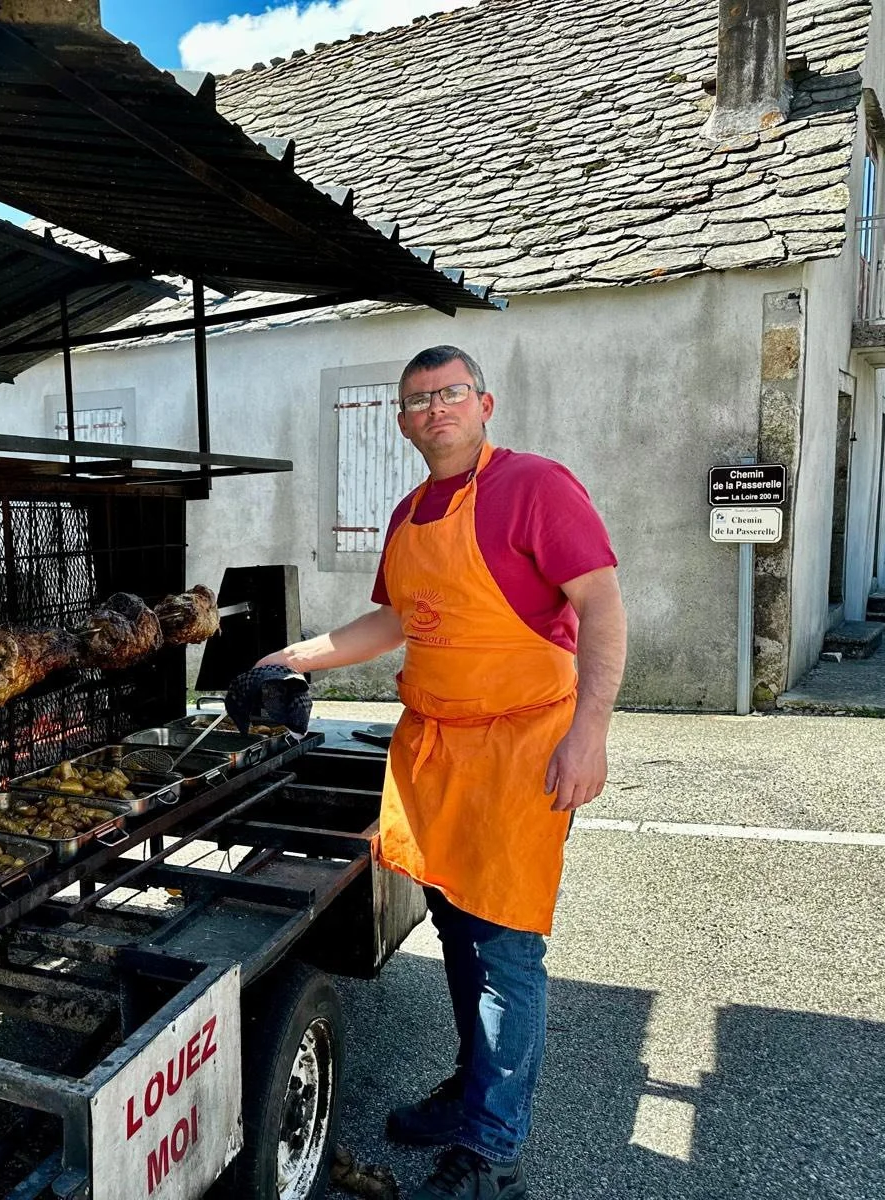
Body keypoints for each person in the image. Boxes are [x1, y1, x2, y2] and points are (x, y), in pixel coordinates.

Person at [256, 345, 627, 1200]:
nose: (435, 409)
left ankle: (493, 1155)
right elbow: (391, 620)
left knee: (505, 950)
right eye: (418, 400)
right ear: (400, 420)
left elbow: (602, 605)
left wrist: (590, 734)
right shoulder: (410, 512)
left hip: (521, 748)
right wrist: (290, 658)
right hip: (438, 749)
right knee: (460, 932)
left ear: (484, 404)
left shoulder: (535, 487)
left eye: (450, 393)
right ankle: (470, 1094)